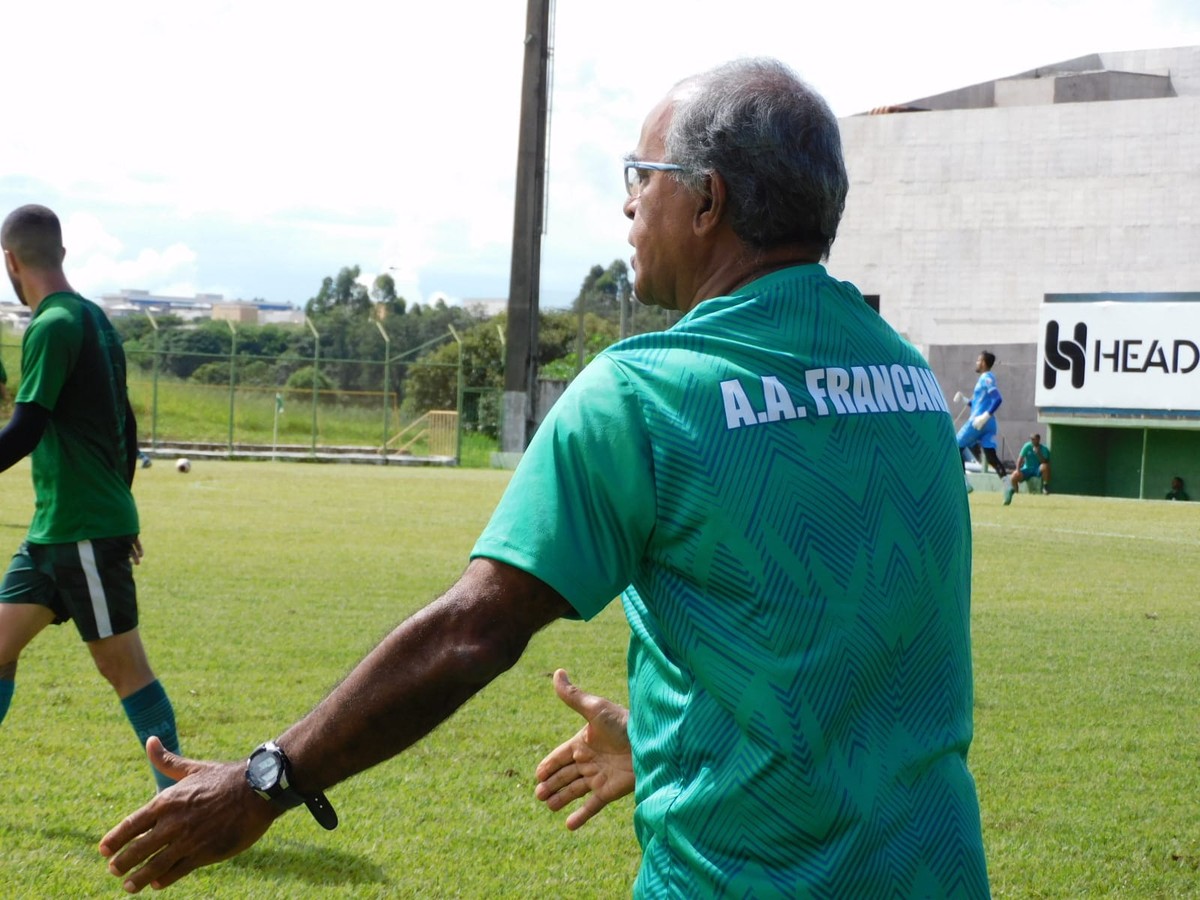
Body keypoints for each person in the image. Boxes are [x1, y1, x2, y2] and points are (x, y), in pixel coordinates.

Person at [100, 59, 989, 897]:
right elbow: (846, 646)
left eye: (643, 176)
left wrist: (265, 782)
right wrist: (657, 743)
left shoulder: (645, 392)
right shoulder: (907, 379)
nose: (630, 206)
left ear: (707, 200)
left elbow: (473, 631)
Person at [0, 205, 182, 794]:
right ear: (60, 253)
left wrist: (109, 512)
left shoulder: (51, 325)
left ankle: (179, 799)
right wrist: (117, 505)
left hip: (80, 530)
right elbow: (123, 426)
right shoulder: (96, 320)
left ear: (9, 262)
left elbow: (26, 429)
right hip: (57, 531)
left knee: (124, 669)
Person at [956, 350, 1008, 500]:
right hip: (989, 423)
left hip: (979, 421)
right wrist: (964, 399)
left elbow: (997, 399)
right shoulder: (985, 379)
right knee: (991, 456)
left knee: (956, 447)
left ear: (984, 363)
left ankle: (966, 483)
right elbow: (978, 404)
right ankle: (1008, 485)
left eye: (978, 361)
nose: (977, 363)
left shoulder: (986, 378)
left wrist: (985, 416)